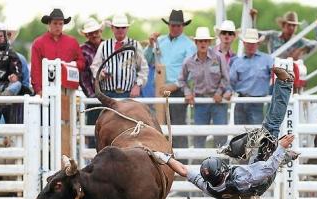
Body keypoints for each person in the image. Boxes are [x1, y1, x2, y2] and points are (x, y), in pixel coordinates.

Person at [154, 67, 298, 199]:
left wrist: (163, 157)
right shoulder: (241, 177)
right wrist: (281, 147)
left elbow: (184, 170)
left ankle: (284, 157)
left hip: (247, 188)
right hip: (258, 182)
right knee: (270, 128)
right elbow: (268, 169)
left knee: (263, 141)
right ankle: (285, 83)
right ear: (222, 171)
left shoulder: (208, 186)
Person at [145, 9, 196, 148]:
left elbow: (190, 70)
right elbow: (147, 60)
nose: (175, 28)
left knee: (177, 125)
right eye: (173, 25)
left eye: (178, 25)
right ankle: (162, 160)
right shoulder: (159, 41)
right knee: (159, 126)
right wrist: (150, 45)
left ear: (183, 26)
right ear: (169, 25)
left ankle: (182, 161)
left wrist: (175, 85)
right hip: (160, 89)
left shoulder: (189, 45)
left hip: (177, 89)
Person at [178, 27, 231, 148]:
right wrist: (187, 92)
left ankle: (222, 165)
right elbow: (181, 80)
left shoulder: (218, 57)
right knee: (199, 136)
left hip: (218, 102)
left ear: (209, 43)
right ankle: (199, 165)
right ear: (196, 43)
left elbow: (225, 78)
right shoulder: (188, 61)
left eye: (205, 41)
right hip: (200, 102)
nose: (203, 44)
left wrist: (219, 92)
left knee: (221, 135)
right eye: (200, 41)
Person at [90, 14, 148, 98]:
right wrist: (101, 74)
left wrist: (138, 85)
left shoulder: (135, 45)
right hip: (108, 94)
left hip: (129, 94)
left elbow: (143, 69)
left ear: (127, 29)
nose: (120, 30)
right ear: (112, 28)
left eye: (123, 27)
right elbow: (95, 67)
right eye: (117, 27)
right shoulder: (104, 45)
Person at [31, 9, 85, 96]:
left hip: (67, 89)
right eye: (55, 23)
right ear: (49, 23)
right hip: (46, 88)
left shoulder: (72, 42)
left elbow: (82, 63)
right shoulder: (38, 43)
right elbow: (35, 69)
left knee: (67, 109)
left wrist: (70, 65)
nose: (58, 26)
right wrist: (38, 90)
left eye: (60, 23)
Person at [230, 28, 273, 125]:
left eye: (253, 43)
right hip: (241, 100)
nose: (250, 46)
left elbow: (275, 76)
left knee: (255, 133)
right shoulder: (237, 62)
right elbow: (231, 81)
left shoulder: (267, 60)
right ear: (244, 44)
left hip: (257, 101)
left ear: (257, 44)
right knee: (240, 134)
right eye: (248, 43)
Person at [78, 18, 105, 147]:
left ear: (100, 31)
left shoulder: (108, 46)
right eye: (90, 33)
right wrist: (91, 94)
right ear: (86, 35)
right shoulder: (82, 50)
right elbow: (83, 76)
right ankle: (91, 155)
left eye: (96, 32)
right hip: (93, 95)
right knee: (92, 128)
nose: (94, 35)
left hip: (109, 92)